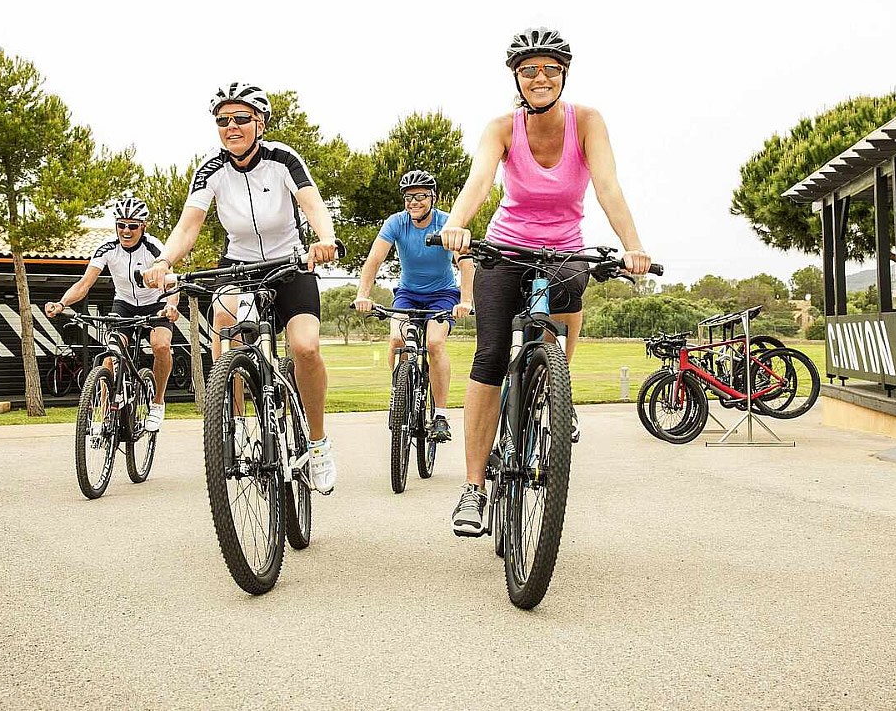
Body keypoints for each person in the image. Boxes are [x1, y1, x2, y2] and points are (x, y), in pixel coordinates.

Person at [436, 27, 653, 537]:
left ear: (564, 75)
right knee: (490, 355)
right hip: (506, 245)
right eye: (529, 69)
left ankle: (553, 391)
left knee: (556, 327)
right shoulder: (501, 128)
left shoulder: (588, 122)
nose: (540, 77)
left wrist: (633, 245)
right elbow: (480, 180)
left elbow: (606, 185)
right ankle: (473, 488)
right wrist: (456, 224)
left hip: (564, 249)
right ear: (516, 77)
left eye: (550, 68)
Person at [141, 83, 342, 494]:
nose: (231, 127)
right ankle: (229, 421)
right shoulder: (210, 169)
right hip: (239, 264)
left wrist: (325, 238)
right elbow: (189, 225)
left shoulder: (282, 158)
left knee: (305, 347)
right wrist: (164, 261)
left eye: (241, 119)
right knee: (224, 316)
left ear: (260, 123)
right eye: (222, 121)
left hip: (290, 262)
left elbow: (313, 203)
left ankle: (318, 443)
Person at [353, 170, 475, 443]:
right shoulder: (396, 223)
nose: (413, 202)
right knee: (397, 338)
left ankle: (441, 415)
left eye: (420, 196)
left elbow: (465, 263)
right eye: (408, 197)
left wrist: (465, 300)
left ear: (433, 197)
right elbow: (374, 261)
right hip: (407, 294)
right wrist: (363, 294)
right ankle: (399, 394)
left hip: (442, 295)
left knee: (434, 343)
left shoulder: (447, 223)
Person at [45, 196, 179, 432]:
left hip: (155, 303)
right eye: (121, 225)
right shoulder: (107, 248)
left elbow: (171, 284)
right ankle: (103, 415)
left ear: (143, 226)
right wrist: (62, 303)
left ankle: (158, 402)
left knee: (161, 345)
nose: (126, 231)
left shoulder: (155, 248)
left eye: (132, 226)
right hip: (124, 304)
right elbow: (84, 284)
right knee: (112, 352)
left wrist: (171, 306)